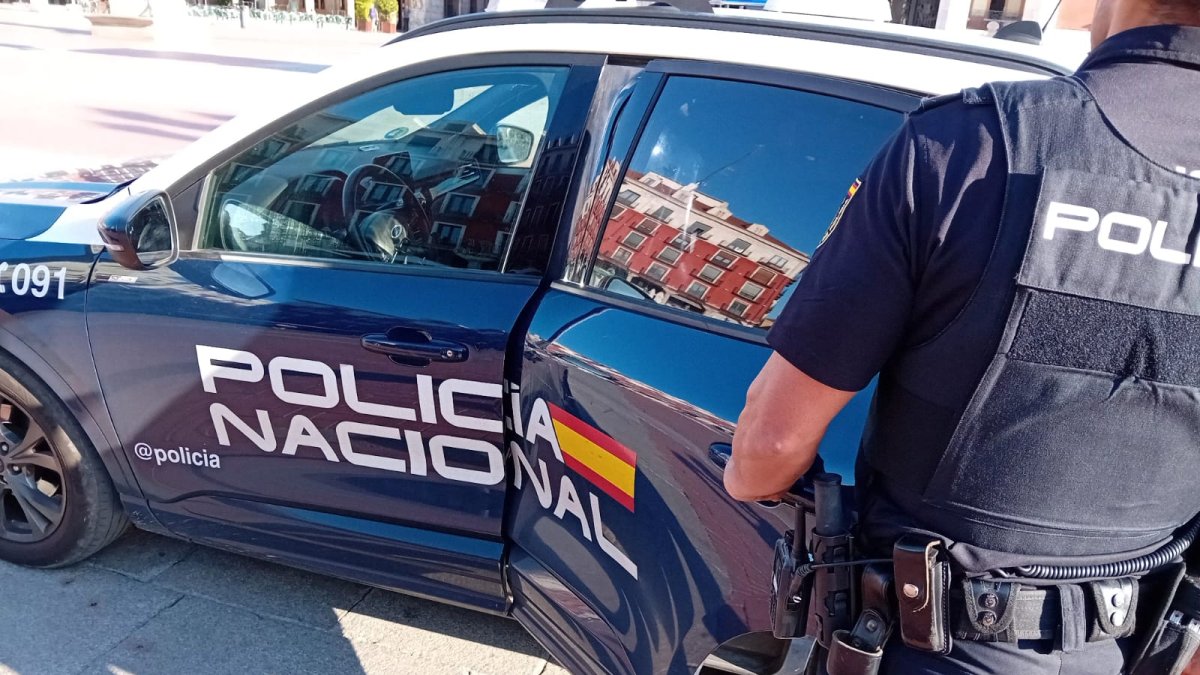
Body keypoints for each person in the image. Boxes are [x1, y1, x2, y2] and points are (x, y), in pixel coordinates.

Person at [725, 0, 1200, 673]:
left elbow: (769, 445)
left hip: (943, 645)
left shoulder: (970, 145)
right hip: (1142, 646)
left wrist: (752, 476)